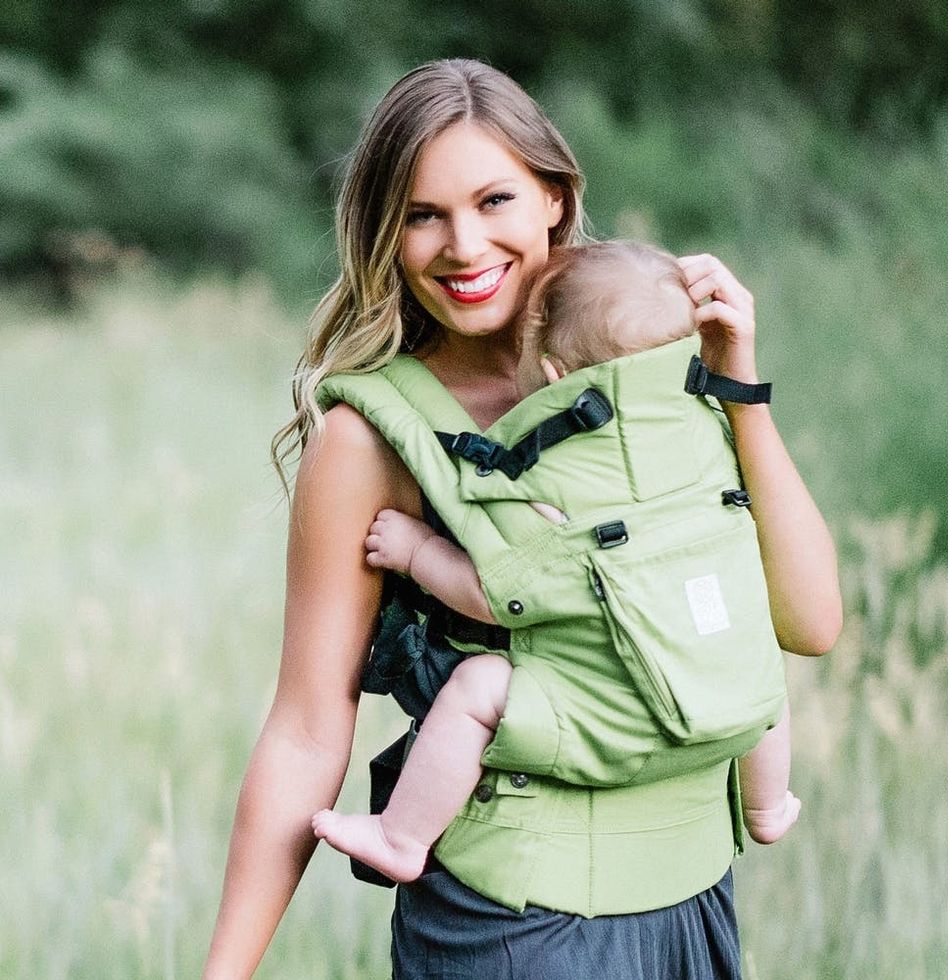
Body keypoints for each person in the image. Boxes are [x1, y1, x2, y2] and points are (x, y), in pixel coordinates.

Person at [203, 59, 842, 980]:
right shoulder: (371, 436)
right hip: (514, 929)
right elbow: (306, 728)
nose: (464, 246)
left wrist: (737, 389)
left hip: (695, 904)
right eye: (422, 216)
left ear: (554, 196)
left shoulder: (661, 370)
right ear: (386, 234)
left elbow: (810, 624)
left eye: (494, 200)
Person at [309, 240, 802, 886]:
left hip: (605, 717)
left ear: (550, 374)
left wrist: (415, 550)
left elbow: (501, 593)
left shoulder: (550, 478)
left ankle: (401, 836)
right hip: (718, 703)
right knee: (755, 653)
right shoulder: (711, 430)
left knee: (479, 689)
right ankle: (767, 806)